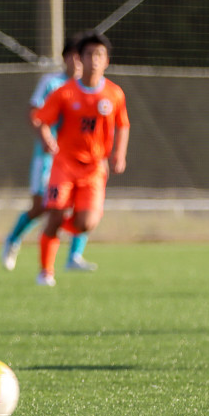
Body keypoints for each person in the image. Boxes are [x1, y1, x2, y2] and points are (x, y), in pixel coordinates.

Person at [31, 30, 130, 287]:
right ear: (80, 59)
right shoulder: (65, 92)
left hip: (95, 167)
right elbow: (41, 119)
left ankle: (51, 231)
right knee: (56, 212)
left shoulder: (114, 93)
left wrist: (119, 154)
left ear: (107, 60)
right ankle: (46, 272)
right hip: (64, 164)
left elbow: (123, 125)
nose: (94, 60)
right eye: (89, 54)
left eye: (99, 55)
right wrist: (46, 138)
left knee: (86, 224)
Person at [1, 33, 97, 272]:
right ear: (65, 58)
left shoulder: (93, 88)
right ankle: (13, 239)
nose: (78, 62)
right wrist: (46, 137)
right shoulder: (52, 82)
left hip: (78, 159)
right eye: (74, 56)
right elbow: (34, 113)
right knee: (42, 206)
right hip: (49, 158)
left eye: (82, 57)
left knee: (81, 205)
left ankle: (74, 256)